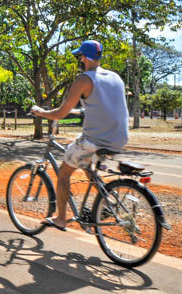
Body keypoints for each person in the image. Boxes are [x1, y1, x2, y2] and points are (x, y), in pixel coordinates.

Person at [31, 40, 128, 231]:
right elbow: (105, 106)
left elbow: (60, 113)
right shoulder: (116, 77)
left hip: (95, 140)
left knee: (65, 172)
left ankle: (60, 218)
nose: (79, 59)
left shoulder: (84, 80)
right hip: (120, 138)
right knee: (84, 161)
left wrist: (40, 112)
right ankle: (107, 201)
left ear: (84, 57)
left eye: (80, 56)